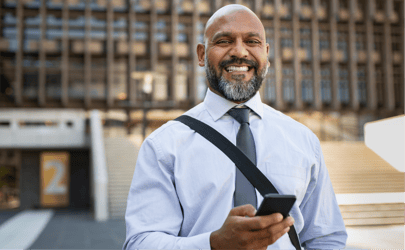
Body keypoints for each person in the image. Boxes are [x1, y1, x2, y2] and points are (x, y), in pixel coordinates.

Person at [123, 4, 347, 249]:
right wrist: (213, 244)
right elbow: (140, 243)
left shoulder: (303, 140)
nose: (240, 51)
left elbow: (326, 238)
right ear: (201, 54)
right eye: (224, 41)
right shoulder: (163, 146)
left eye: (252, 42)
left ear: (267, 54)